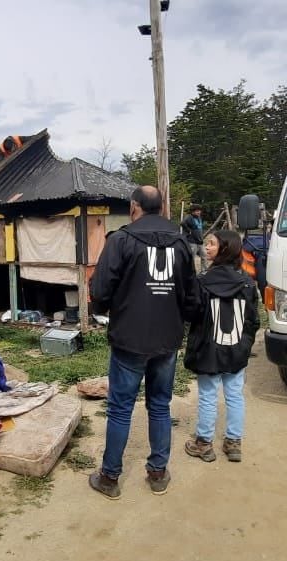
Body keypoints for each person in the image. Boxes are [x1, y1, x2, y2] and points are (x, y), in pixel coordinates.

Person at [87, 185, 199, 500]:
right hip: (167, 340)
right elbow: (192, 296)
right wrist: (181, 319)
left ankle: (109, 478)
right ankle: (158, 473)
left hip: (129, 340)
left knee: (121, 408)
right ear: (161, 207)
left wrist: (102, 310)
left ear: (134, 206)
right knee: (160, 405)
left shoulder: (121, 240)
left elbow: (101, 289)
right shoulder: (180, 242)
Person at [183, 229, 260, 464]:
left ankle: (204, 444)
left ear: (224, 249)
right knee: (235, 395)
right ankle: (233, 443)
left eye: (212, 244)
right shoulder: (247, 283)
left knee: (208, 395)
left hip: (209, 351)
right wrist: (245, 344)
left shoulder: (203, 282)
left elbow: (192, 314)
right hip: (236, 349)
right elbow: (253, 320)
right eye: (206, 244)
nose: (206, 248)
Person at [181, 205, 206, 273]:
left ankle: (204, 271)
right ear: (192, 211)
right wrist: (189, 231)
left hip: (200, 241)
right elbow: (182, 223)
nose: (199, 212)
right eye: (197, 211)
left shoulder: (199, 218)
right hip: (192, 241)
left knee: (204, 256)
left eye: (199, 210)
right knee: (192, 257)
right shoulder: (189, 217)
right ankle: (190, 271)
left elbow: (199, 228)